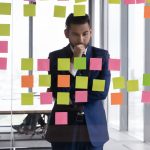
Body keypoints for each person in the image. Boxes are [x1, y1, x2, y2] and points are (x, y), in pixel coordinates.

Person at [45, 13, 111, 150]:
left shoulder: (101, 56)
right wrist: (73, 63)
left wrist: (71, 96)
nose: (81, 39)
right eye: (75, 34)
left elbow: (101, 93)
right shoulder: (55, 57)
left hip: (93, 128)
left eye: (85, 34)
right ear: (66, 33)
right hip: (63, 128)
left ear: (91, 32)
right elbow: (59, 92)